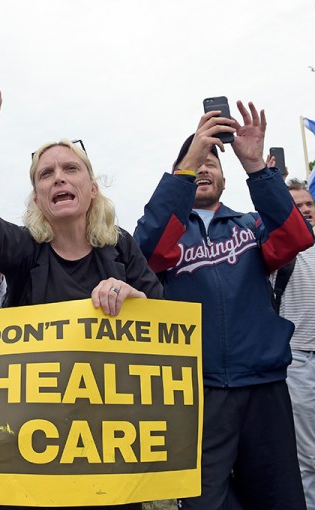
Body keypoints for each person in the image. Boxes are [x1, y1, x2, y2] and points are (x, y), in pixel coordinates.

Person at [0, 60, 162, 510]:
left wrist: (136, 298)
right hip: (39, 445)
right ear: (38, 199)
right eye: (45, 174)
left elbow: (162, 319)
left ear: (92, 189)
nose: (58, 178)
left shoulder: (121, 247)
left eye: (70, 169)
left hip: (111, 443)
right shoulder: (25, 250)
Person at [133, 103, 312, 509]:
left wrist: (257, 168)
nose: (203, 167)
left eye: (213, 159)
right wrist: (190, 158)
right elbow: (145, 252)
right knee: (203, 502)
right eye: (196, 158)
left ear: (225, 176)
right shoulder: (168, 235)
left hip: (263, 386)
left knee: (279, 498)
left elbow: (296, 237)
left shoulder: (250, 225)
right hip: (198, 393)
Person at [271, 178, 315, 509]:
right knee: (308, 456)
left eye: (309, 204)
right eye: (296, 207)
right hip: (298, 360)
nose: (305, 210)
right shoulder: (281, 253)